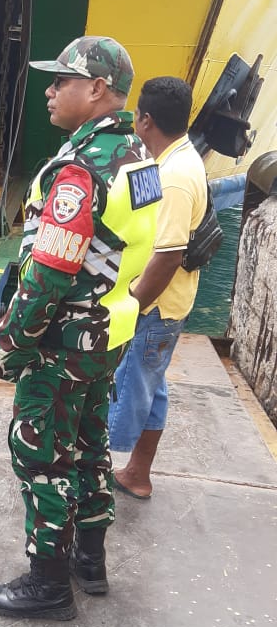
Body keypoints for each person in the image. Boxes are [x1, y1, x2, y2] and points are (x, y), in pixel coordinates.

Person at [0, 36, 162, 620]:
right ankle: (90, 563)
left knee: (41, 454)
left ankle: (48, 584)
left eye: (61, 82)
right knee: (89, 445)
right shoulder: (138, 157)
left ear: (97, 89)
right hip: (110, 334)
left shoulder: (80, 171)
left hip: (65, 340)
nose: (49, 92)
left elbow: (48, 276)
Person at [109, 76, 207, 499]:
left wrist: (129, 309)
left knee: (129, 388)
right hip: (168, 303)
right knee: (152, 387)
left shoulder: (176, 176)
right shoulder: (173, 157)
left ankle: (97, 471)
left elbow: (167, 255)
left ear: (145, 120)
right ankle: (137, 474)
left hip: (155, 307)